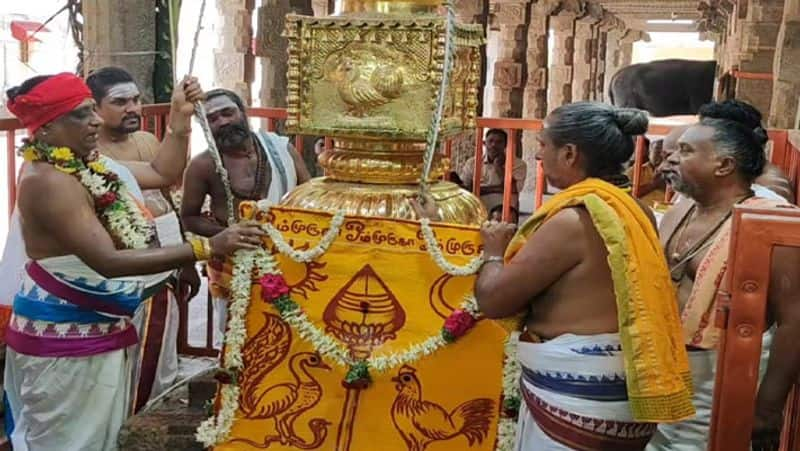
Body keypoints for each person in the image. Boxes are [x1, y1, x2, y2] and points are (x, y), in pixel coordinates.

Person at [2, 73, 263, 451]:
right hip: (66, 337)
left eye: (91, 110)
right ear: (46, 130)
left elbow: (162, 174)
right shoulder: (49, 180)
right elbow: (108, 261)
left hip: (97, 326)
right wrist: (209, 247)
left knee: (99, 436)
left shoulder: (88, 165)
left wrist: (178, 117)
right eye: (80, 115)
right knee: (69, 441)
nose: (93, 121)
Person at [469, 102, 694, 449]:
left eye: (544, 145)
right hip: (620, 387)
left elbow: (494, 299)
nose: (539, 156)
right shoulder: (638, 209)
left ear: (570, 153)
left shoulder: (572, 221)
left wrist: (495, 251)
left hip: (578, 391)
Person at [649, 100, 800, 451]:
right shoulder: (683, 206)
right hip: (661, 371)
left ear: (724, 165)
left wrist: (767, 409)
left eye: (685, 151)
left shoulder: (772, 222)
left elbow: (794, 319)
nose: (670, 158)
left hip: (719, 381)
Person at [86, 66, 201, 412]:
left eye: (136, 100)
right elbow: (161, 172)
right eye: (120, 102)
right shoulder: (88, 157)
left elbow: (167, 196)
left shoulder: (148, 142)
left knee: (159, 367)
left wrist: (186, 261)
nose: (133, 108)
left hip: (162, 272)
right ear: (93, 109)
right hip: (119, 281)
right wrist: (178, 119)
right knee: (117, 373)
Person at [180, 88, 311, 346]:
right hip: (233, 264)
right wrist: (228, 236)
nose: (223, 122)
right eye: (212, 118)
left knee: (290, 335)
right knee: (237, 340)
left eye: (228, 112)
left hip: (288, 256)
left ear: (243, 112)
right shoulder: (202, 166)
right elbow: (189, 218)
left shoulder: (281, 149)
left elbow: (308, 197)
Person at [459, 129, 527, 216]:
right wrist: (498, 188)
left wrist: (498, 167)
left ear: (505, 145)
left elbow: (513, 189)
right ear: (484, 143)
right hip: (478, 212)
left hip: (504, 214)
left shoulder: (518, 164)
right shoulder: (473, 163)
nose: (494, 145)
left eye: (499, 142)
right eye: (490, 141)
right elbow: (465, 188)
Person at [627, 137, 667, 207]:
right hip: (641, 210)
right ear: (649, 151)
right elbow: (628, 194)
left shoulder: (672, 171)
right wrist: (653, 184)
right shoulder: (634, 170)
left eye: (662, 152)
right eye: (656, 150)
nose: (659, 155)